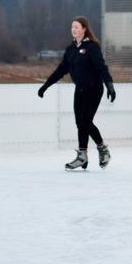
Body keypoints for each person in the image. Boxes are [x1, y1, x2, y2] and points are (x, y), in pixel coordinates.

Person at [38, 16, 116, 171]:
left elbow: (101, 67)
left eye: (77, 27)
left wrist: (109, 84)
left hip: (93, 89)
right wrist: (46, 85)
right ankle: (84, 155)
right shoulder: (71, 49)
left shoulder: (92, 47)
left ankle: (99, 151)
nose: (73, 30)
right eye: (72, 27)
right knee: (80, 123)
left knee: (85, 121)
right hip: (79, 90)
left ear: (84, 29)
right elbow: (61, 70)